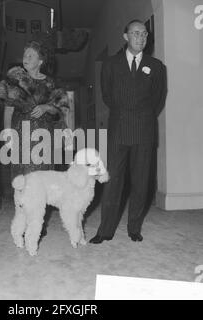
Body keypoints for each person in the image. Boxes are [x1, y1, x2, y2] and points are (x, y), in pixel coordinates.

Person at [90, 20, 167, 244]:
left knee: (141, 181)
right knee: (112, 181)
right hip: (118, 129)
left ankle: (134, 227)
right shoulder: (111, 64)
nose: (141, 38)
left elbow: (158, 98)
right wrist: (125, 111)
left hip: (144, 130)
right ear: (125, 36)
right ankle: (105, 230)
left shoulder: (156, 66)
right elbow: (107, 95)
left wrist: (140, 114)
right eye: (135, 33)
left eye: (144, 34)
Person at [0, 41, 69, 180]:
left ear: (40, 61)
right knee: (21, 178)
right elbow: (8, 109)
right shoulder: (15, 80)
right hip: (20, 134)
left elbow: (61, 110)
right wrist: (8, 133)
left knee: (41, 179)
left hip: (44, 137)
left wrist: (46, 107)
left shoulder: (51, 83)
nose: (25, 58)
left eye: (30, 56)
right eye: (24, 55)